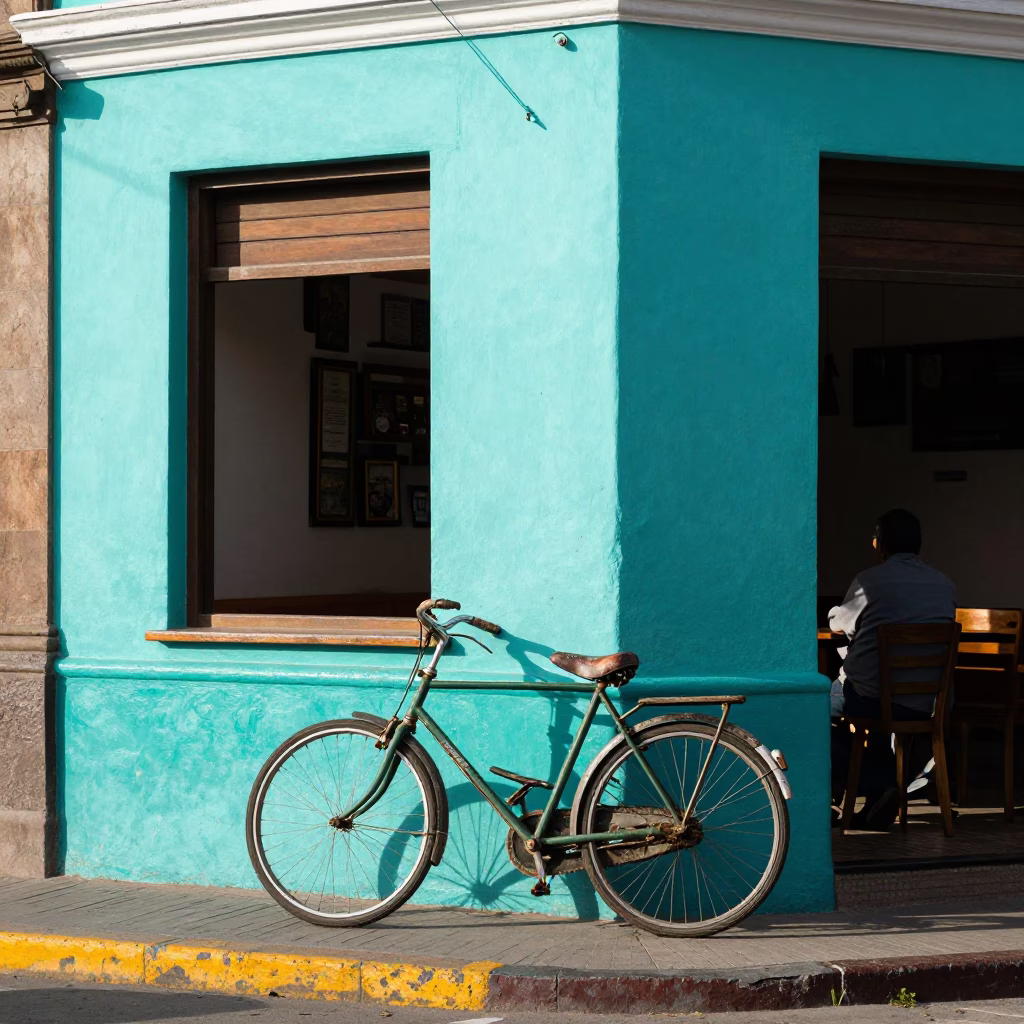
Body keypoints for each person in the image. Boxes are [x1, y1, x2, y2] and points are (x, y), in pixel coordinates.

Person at [829, 509, 956, 830]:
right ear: (919, 546)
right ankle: (879, 793)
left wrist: (835, 613)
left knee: (823, 706)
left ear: (879, 545)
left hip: (871, 699)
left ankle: (839, 795)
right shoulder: (944, 586)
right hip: (925, 703)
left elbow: (840, 624)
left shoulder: (870, 582)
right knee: (866, 716)